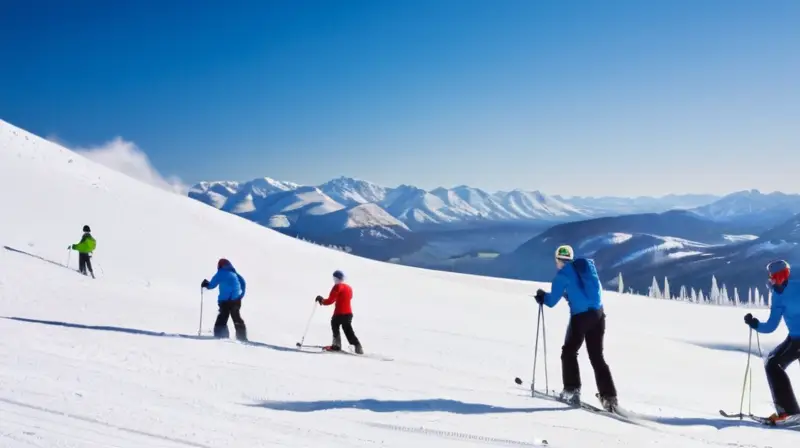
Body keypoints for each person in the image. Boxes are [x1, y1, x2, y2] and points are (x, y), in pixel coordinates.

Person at [534, 244, 618, 412]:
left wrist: (541, 296)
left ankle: (572, 390)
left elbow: (551, 301)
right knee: (597, 357)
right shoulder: (586, 270)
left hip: (580, 317)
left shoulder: (562, 275)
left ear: (558, 260)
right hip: (598, 315)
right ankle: (609, 397)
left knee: (569, 351)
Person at [744, 259, 800, 425]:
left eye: (774, 276)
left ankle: (789, 413)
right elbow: (771, 326)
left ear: (783, 275)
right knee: (772, 363)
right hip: (795, 338)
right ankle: (789, 412)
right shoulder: (777, 295)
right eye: (771, 277)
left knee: (773, 364)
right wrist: (755, 325)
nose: (772, 280)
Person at [316, 270, 363, 354]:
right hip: (349, 313)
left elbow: (330, 300)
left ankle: (336, 345)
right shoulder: (349, 288)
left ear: (336, 278)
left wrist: (321, 300)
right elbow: (349, 298)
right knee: (348, 329)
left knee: (334, 324)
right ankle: (357, 346)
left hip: (339, 313)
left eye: (334, 278)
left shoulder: (337, 286)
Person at [202, 258, 247, 341]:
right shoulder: (235, 273)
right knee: (236, 317)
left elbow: (212, 285)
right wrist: (241, 294)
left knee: (223, 317)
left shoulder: (220, 273)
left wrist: (206, 284)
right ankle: (242, 336)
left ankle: (221, 335)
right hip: (236, 300)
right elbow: (243, 283)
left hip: (225, 301)